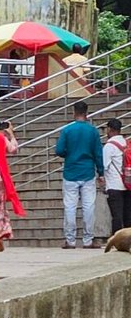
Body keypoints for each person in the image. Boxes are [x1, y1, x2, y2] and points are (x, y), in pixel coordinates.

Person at [55, 99, 105, 249]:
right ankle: (88, 240)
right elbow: (98, 153)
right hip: (88, 172)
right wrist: (101, 172)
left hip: (70, 172)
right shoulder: (93, 131)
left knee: (70, 207)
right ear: (86, 113)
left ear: (74, 112)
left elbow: (59, 150)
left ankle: (70, 240)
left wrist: (69, 154)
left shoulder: (67, 130)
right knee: (88, 206)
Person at [107, 117, 129, 235]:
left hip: (114, 185)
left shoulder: (109, 146)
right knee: (128, 216)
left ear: (109, 129)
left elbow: (104, 165)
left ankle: (117, 240)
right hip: (128, 183)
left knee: (117, 216)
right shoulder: (127, 143)